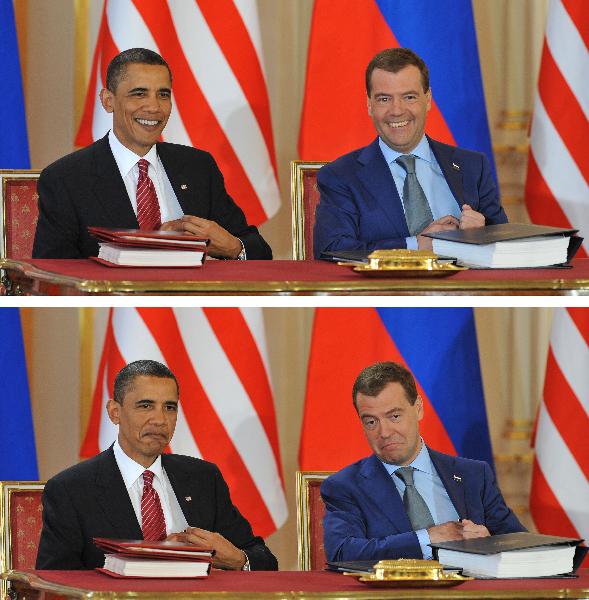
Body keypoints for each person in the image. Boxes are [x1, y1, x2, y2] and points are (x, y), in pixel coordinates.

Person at [36, 360, 278, 570]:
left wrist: (237, 559)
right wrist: (160, 558)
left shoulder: (203, 478)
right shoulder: (71, 489)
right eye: (146, 406)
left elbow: (265, 560)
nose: (161, 420)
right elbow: (56, 583)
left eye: (170, 408)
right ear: (114, 412)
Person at [32, 48, 272, 260]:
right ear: (108, 101)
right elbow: (54, 275)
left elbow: (259, 250)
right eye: (139, 93)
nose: (154, 107)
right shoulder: (67, 178)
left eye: (163, 94)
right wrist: (156, 247)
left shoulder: (198, 166)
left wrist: (232, 247)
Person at [321, 361, 525, 562]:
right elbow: (342, 553)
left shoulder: (474, 475)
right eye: (371, 422)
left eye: (394, 416)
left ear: (418, 408)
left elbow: (521, 545)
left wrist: (489, 545)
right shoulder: (345, 487)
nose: (384, 433)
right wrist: (427, 539)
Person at [313, 48, 508, 258]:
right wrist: (415, 245)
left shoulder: (472, 166)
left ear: (428, 99)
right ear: (369, 105)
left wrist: (482, 235)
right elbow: (331, 250)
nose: (397, 110)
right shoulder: (341, 176)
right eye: (384, 99)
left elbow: (507, 247)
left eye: (409, 97)